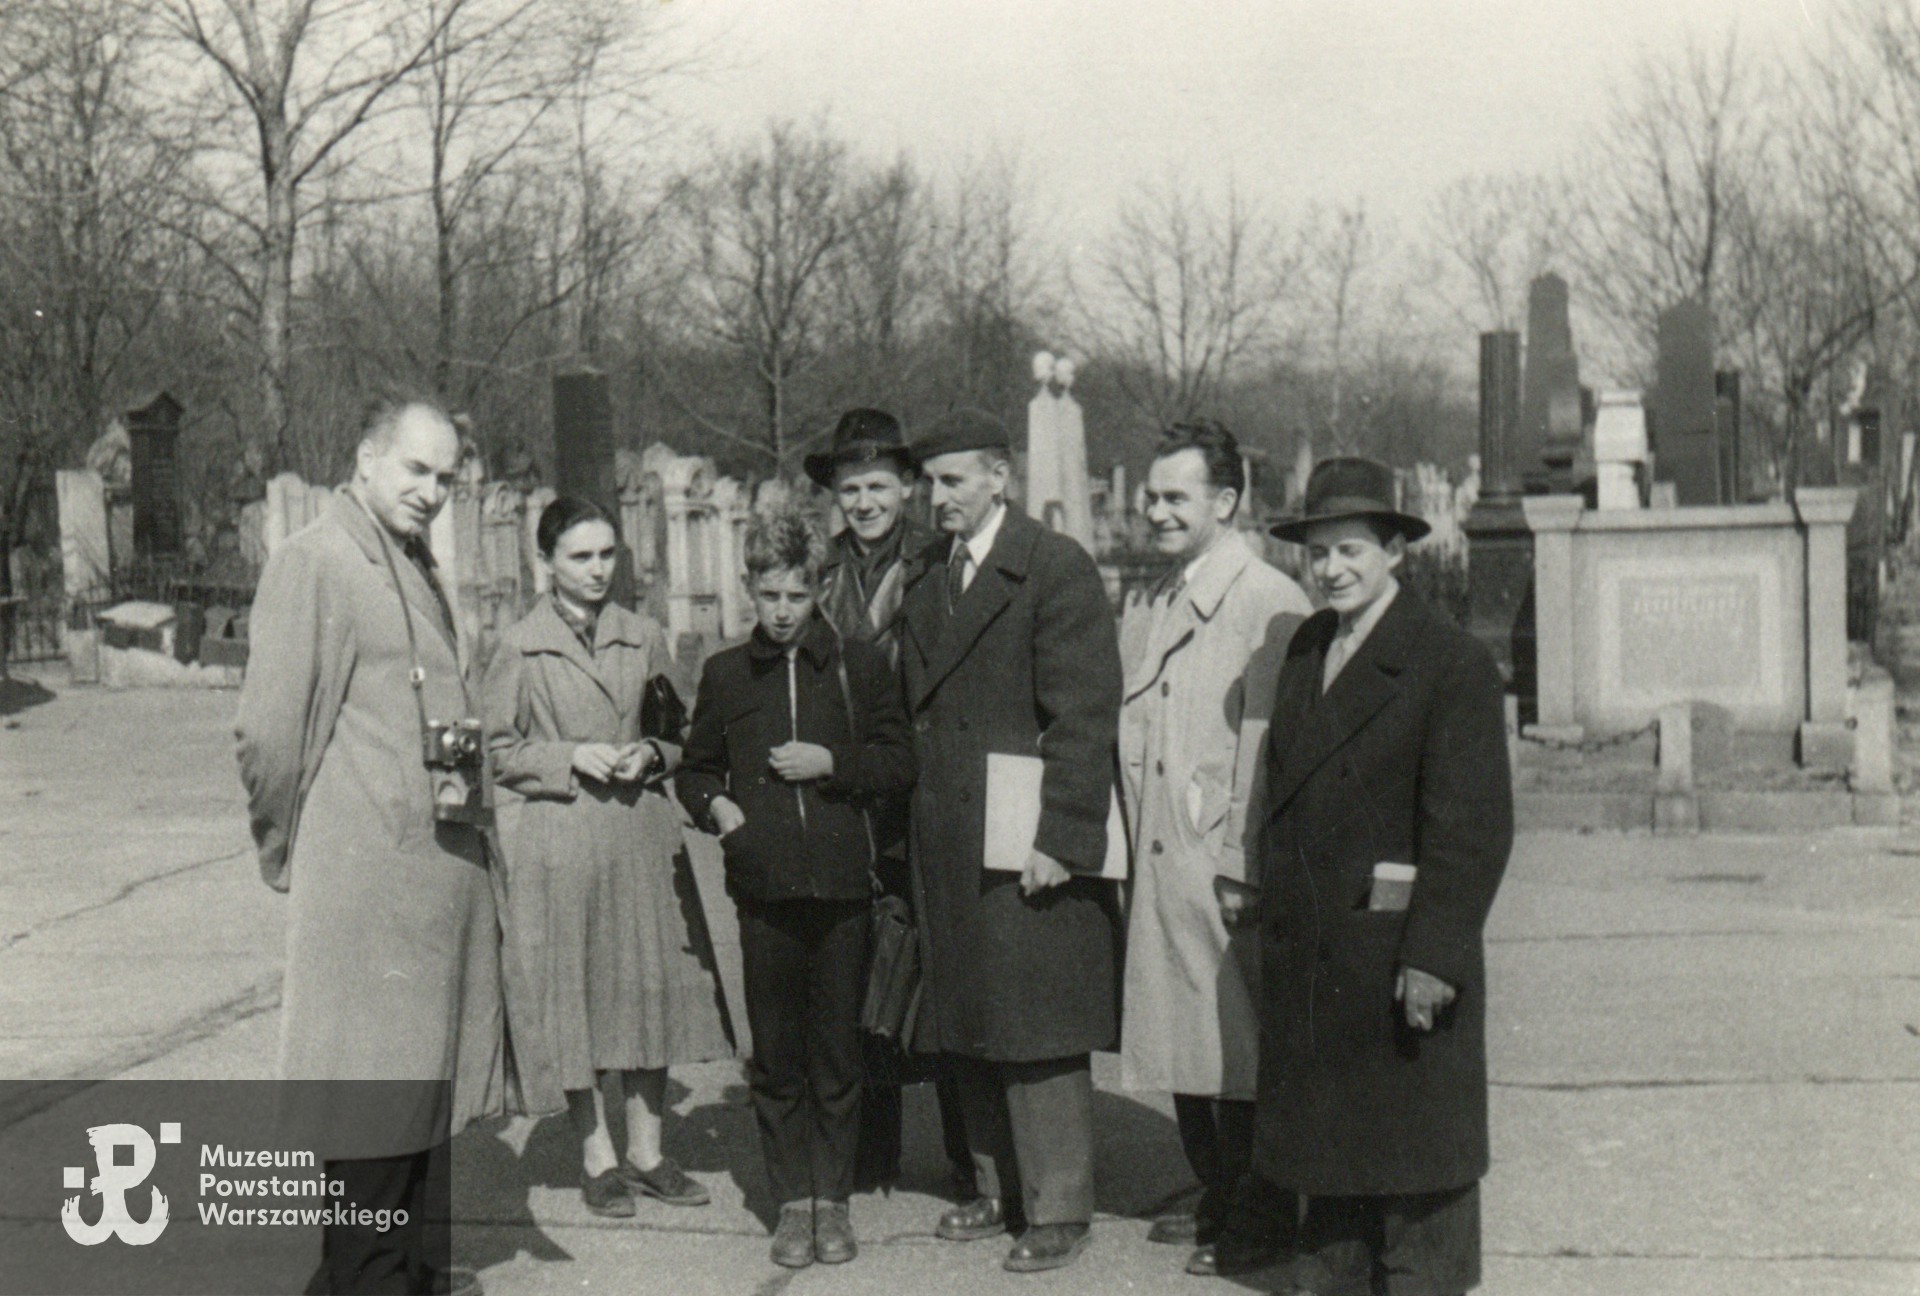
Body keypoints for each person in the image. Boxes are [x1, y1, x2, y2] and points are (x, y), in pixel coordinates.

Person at [237, 399, 549, 1296]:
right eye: (416, 470)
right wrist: (290, 848)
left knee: (410, 1131)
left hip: (423, 906)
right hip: (369, 907)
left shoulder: (405, 562)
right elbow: (267, 737)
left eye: (446, 478)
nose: (431, 492)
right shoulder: (318, 562)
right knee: (372, 1135)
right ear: (367, 459)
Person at [1237, 457, 1513, 1296]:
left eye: (1352, 549)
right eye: (1316, 554)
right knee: (1332, 1202)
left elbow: (1470, 833)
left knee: (1416, 1195)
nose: (1331, 570)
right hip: (1317, 965)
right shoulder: (1306, 648)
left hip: (1399, 967)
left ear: (1397, 551)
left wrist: (1433, 954)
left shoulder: (1450, 663)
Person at [899, 408, 1123, 1274]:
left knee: (1037, 1023)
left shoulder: (1055, 570)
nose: (937, 495)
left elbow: (1083, 714)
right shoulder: (932, 577)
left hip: (1024, 833)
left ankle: (1059, 1204)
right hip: (950, 832)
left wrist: (1063, 835)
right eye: (931, 480)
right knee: (971, 1015)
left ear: (1000, 477)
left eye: (954, 479)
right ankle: (996, 1186)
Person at [676, 504, 915, 1270]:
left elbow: (898, 761)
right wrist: (721, 811)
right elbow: (695, 767)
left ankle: (834, 1202)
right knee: (775, 1057)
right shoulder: (723, 673)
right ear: (751, 588)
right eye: (770, 594)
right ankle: (791, 1203)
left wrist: (832, 765)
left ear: (820, 589)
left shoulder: (859, 665)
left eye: (797, 595)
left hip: (842, 890)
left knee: (836, 1056)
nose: (782, 612)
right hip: (763, 891)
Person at [480, 497, 733, 1219]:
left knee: (648, 990)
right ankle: (598, 1156)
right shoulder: (518, 646)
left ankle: (650, 1153)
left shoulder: (642, 634)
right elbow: (496, 752)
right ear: (547, 563)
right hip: (562, 845)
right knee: (580, 999)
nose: (596, 571)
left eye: (606, 555)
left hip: (639, 838)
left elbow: (680, 733)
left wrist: (651, 753)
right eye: (579, 557)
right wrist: (571, 755)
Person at [1116, 422, 1312, 1277]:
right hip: (1159, 854)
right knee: (1183, 1040)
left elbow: (1270, 748)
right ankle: (1219, 1194)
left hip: (1220, 863)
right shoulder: (1155, 597)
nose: (1155, 511)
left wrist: (1241, 858)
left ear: (1226, 502)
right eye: (1151, 497)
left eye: (1175, 497)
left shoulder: (1267, 600)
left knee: (1235, 1047)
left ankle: (1259, 1215)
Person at [804, 407, 972, 1196]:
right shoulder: (820, 570)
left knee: (936, 958)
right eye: (850, 489)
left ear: (907, 486)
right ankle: (872, 1152)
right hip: (846, 777)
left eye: (878, 485)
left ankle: (970, 1154)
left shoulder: (937, 562)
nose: (865, 502)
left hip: (927, 775)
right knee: (857, 959)